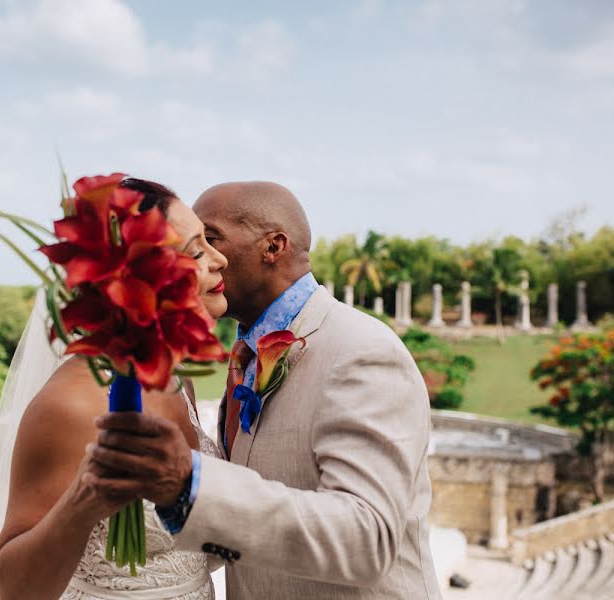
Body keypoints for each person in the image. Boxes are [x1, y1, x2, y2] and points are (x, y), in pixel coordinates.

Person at [89, 181, 442, 599]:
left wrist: (190, 487)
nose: (210, 258)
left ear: (273, 247)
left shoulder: (360, 351)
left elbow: (368, 538)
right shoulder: (244, 357)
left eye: (211, 237)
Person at [0, 178, 229, 600]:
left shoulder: (176, 378)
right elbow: (15, 591)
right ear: (134, 278)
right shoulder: (71, 404)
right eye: (197, 251)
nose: (220, 260)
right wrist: (85, 501)